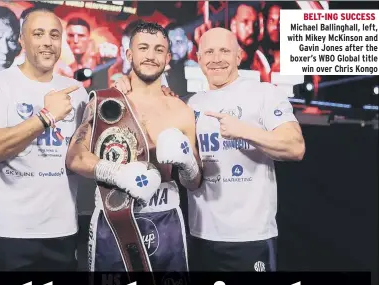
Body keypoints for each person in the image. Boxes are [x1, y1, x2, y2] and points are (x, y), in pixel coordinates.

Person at [112, 27, 306, 272]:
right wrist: (126, 81)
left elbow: (295, 147)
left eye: (224, 51)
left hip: (251, 236)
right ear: (199, 58)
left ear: (238, 56)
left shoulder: (264, 93)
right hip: (199, 234)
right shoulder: (190, 104)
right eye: (209, 52)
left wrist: (244, 130)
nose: (216, 59)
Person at [65, 21, 202, 272]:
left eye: (159, 50)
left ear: (168, 58)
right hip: (113, 223)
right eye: (143, 48)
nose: (150, 56)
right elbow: (74, 158)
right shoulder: (107, 103)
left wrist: (188, 163)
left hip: (168, 223)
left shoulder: (182, 110)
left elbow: (193, 183)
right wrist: (118, 173)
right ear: (129, 54)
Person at [0, 8, 89, 271]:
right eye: (38, 34)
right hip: (8, 232)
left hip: (63, 231)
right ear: (22, 41)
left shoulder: (77, 92)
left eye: (54, 35)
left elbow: (83, 154)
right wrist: (45, 117)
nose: (48, 41)